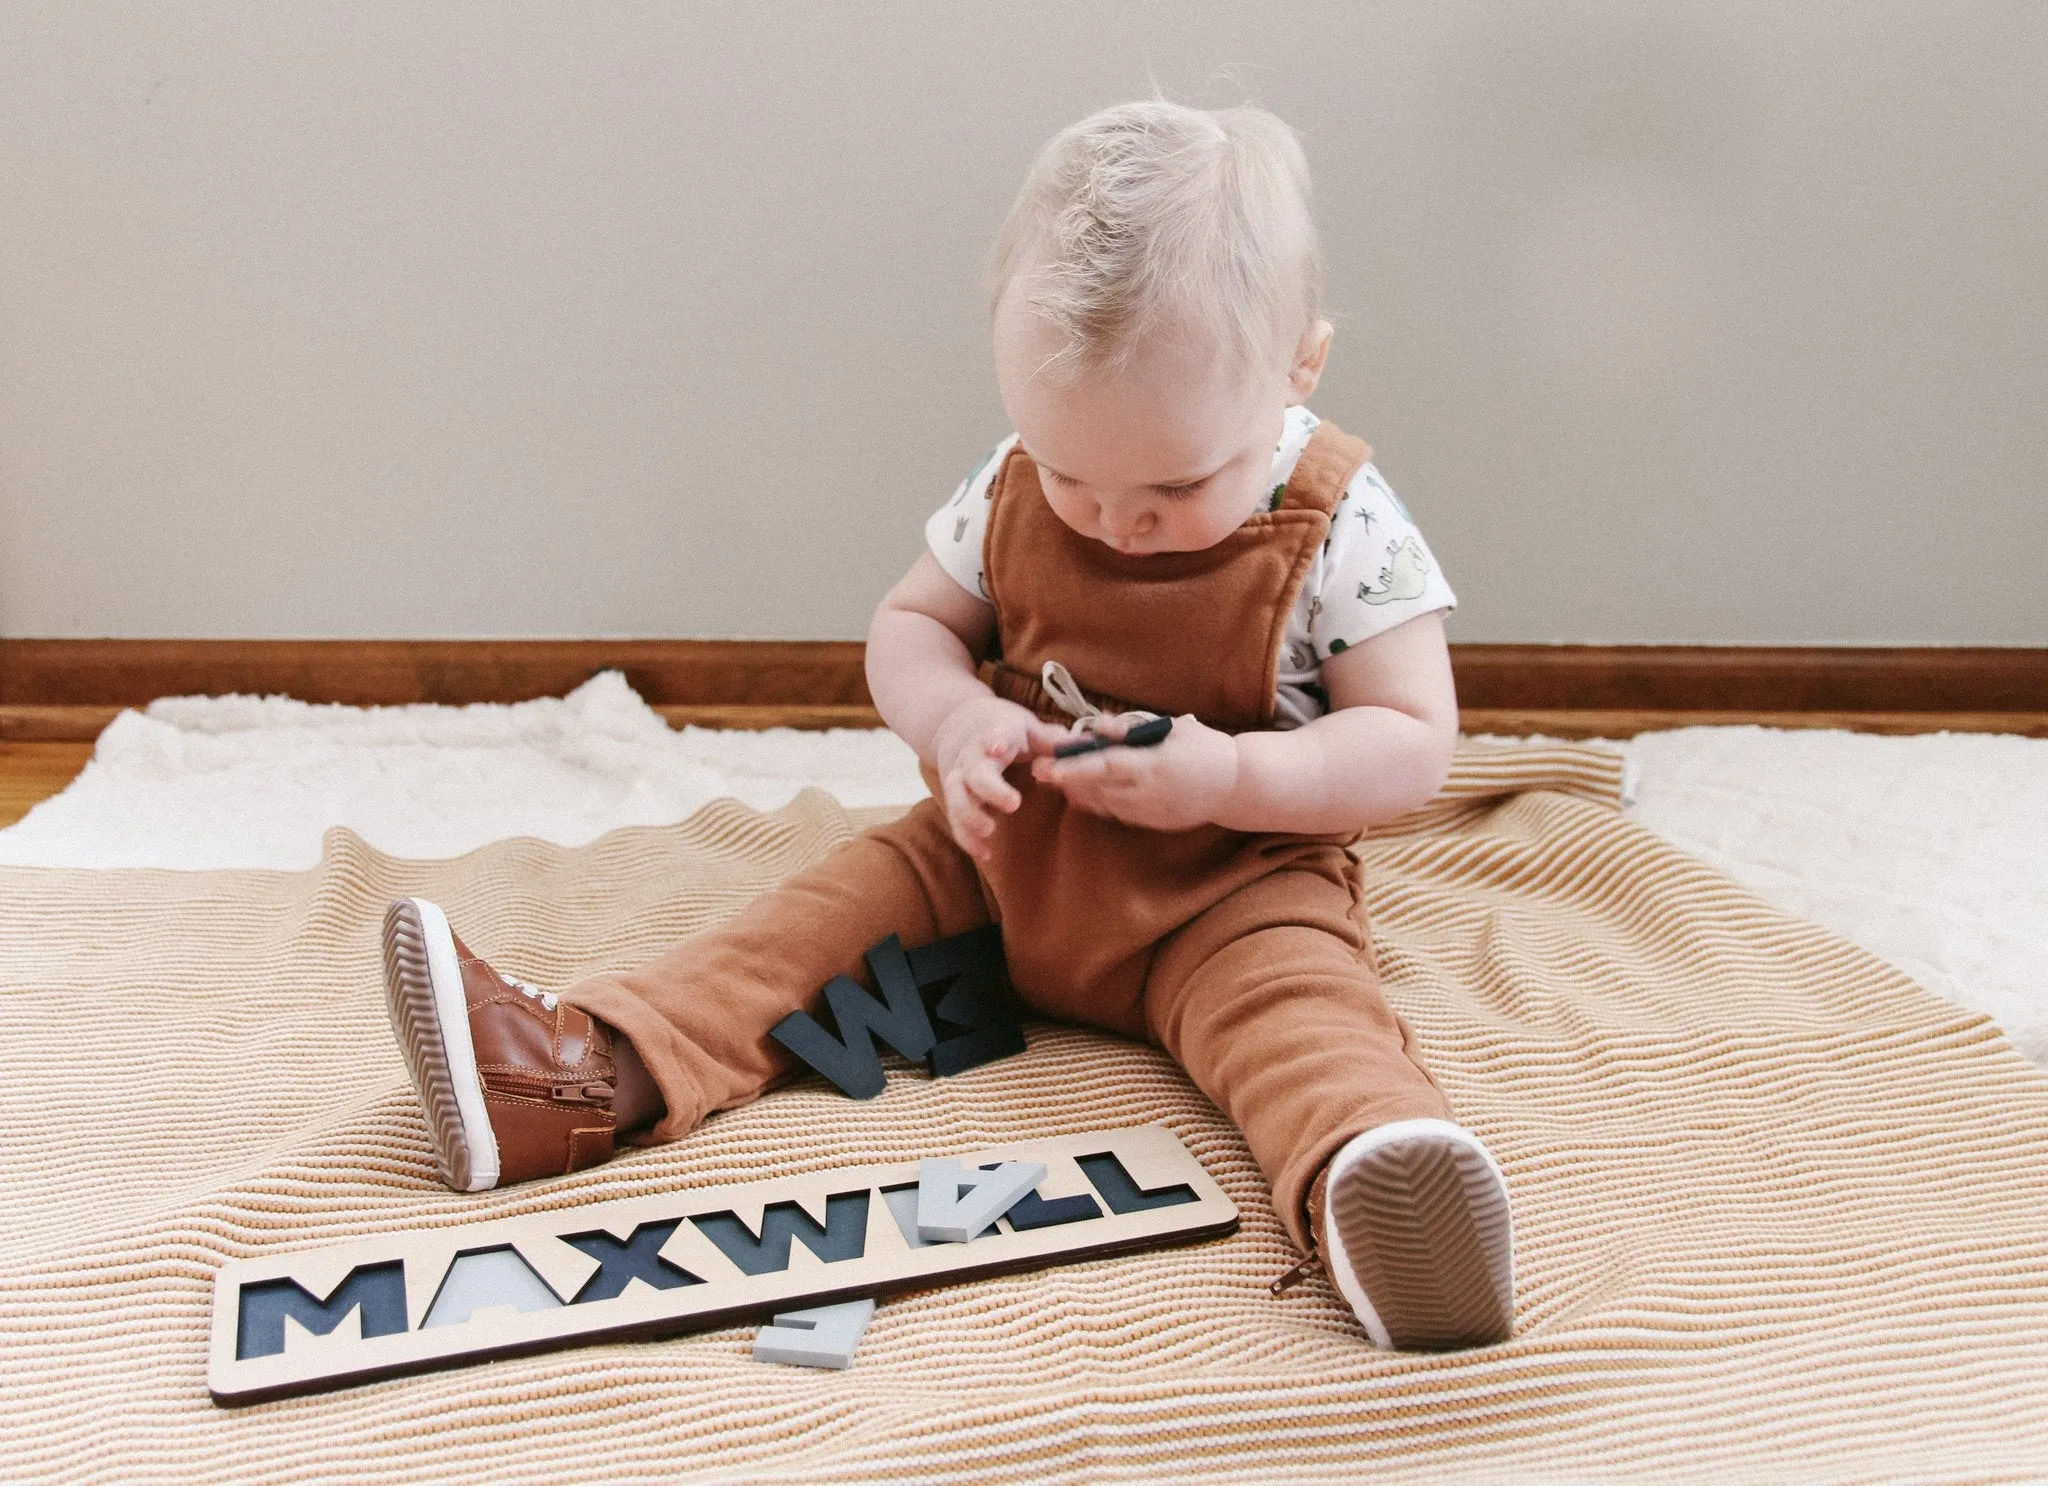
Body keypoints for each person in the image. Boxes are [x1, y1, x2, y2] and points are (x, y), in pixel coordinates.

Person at [381, 99, 1514, 1350]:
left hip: (1228, 889)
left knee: (1300, 1024)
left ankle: (1371, 1195)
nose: (1107, 519)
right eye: (1068, 471)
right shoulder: (1016, 480)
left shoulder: (1343, 520)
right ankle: (579, 1076)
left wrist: (1231, 773)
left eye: (1175, 487)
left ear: (1298, 366)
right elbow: (907, 629)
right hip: (996, 853)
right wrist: (958, 719)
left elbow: (1412, 738)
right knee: (799, 930)